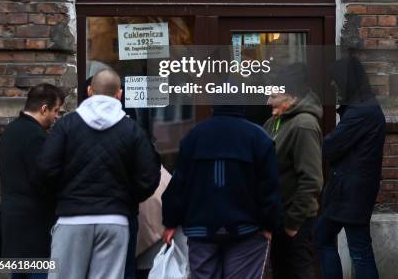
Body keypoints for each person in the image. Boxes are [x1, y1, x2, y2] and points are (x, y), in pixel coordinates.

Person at [38, 68, 161, 279]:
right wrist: (126, 199)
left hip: (71, 218)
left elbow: (45, 169)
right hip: (115, 219)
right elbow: (149, 177)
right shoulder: (132, 130)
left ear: (89, 90)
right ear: (120, 94)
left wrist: (64, 196)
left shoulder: (66, 125)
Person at [162, 105, 281, 279]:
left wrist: (170, 221)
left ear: (213, 105)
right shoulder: (259, 137)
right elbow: (269, 186)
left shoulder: (194, 135)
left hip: (201, 229)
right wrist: (270, 224)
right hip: (247, 229)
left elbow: (179, 183)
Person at [314, 56, 386, 279]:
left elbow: (330, 147)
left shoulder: (360, 113)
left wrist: (326, 140)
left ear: (347, 81)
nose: (333, 85)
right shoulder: (365, 108)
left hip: (350, 194)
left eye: (336, 80)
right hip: (352, 192)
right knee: (330, 239)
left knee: (358, 250)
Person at [0, 84, 65, 279]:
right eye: (56, 110)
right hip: (35, 227)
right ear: (44, 109)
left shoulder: (10, 131)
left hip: (12, 224)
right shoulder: (37, 136)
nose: (56, 117)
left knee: (19, 275)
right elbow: (43, 179)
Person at [264, 63, 323, 279]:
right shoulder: (274, 122)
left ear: (292, 96)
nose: (269, 100)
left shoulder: (303, 125)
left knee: (298, 272)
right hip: (279, 217)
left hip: (295, 221)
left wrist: (293, 223)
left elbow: (312, 180)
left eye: (275, 94)